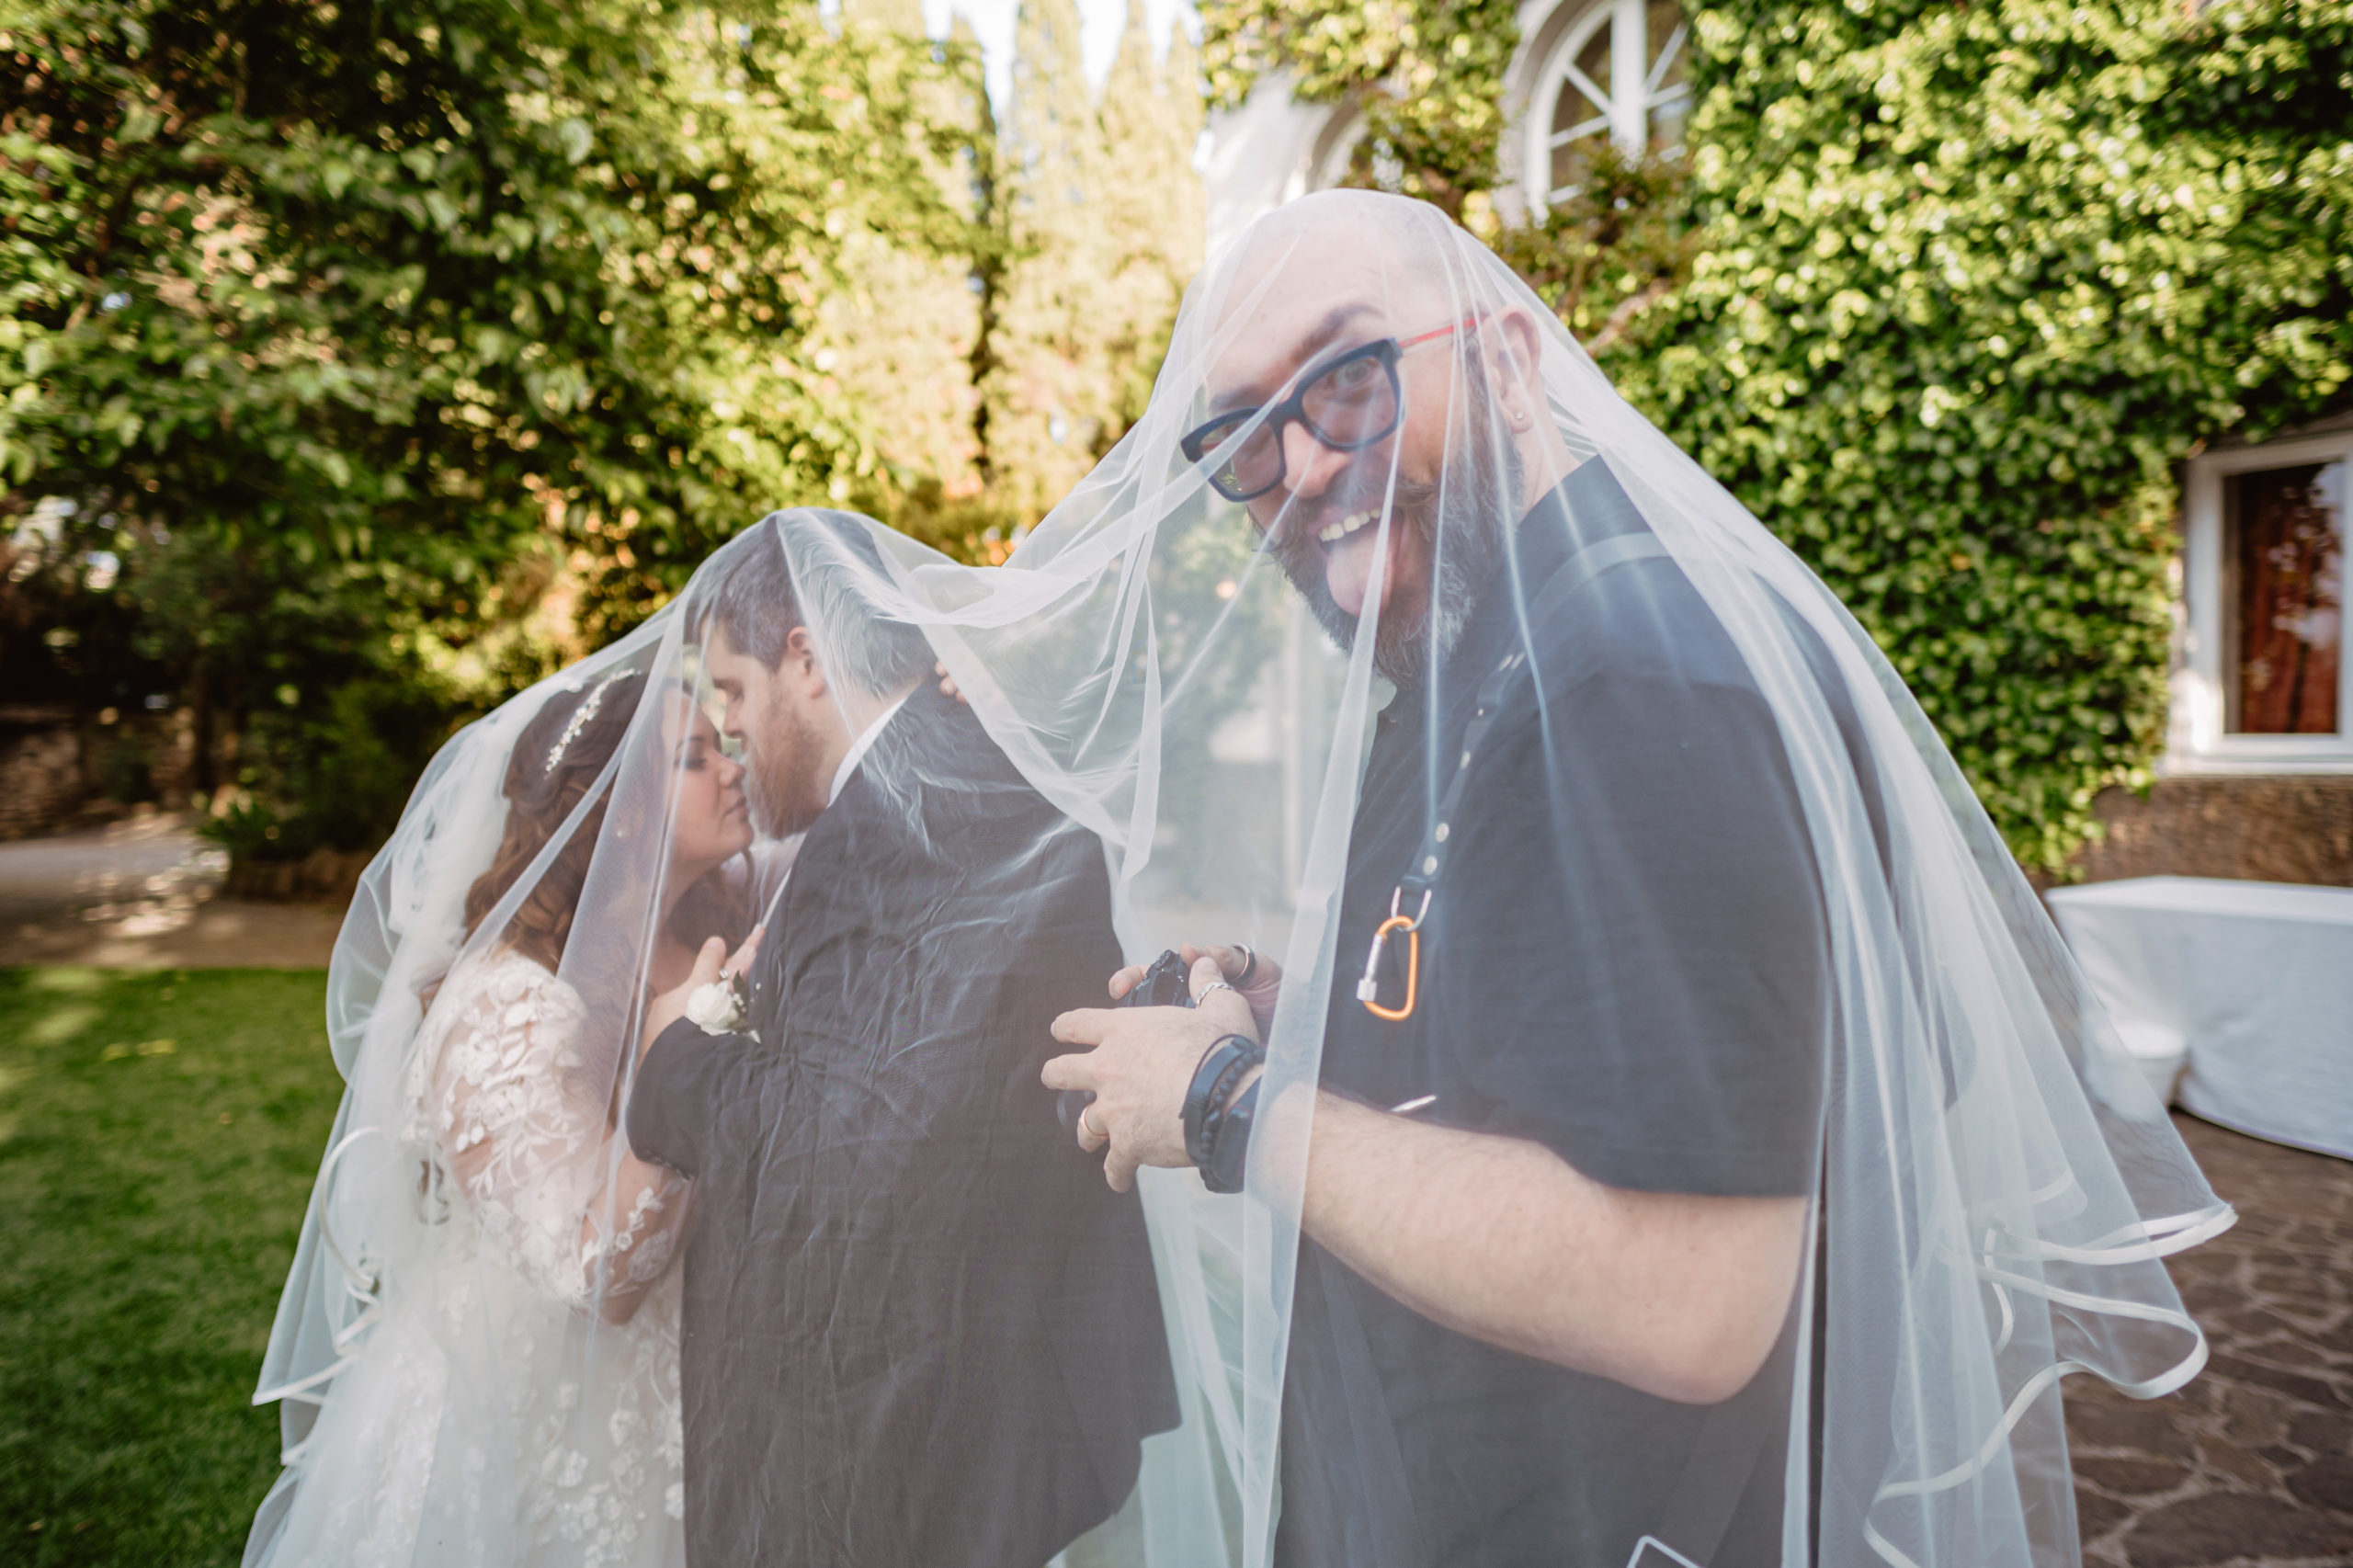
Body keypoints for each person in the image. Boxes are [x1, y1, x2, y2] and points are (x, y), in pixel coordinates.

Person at [884, 189, 2233, 1568]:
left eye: (1348, 380)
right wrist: (1308, 1013)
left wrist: (1227, 1104)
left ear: (1511, 362)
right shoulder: (1490, 640)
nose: (1296, 464)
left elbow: (1688, 1292)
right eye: (1239, 432)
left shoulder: (1635, 677)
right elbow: (1572, 1039)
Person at [621, 517, 1178, 1568]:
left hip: (933, 1442)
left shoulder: (907, 819)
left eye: (733, 691)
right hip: (998, 1393)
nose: (729, 730)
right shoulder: (946, 779)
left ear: (803, 653)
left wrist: (675, 1056)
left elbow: (859, 1145)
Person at [247, 665, 757, 1568]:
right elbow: (594, 1271)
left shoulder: (718, 927)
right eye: (693, 758)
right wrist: (693, 1050)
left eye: (725, 746)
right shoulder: (507, 1004)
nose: (733, 769)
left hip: (713, 1381)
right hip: (539, 1413)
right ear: (617, 809)